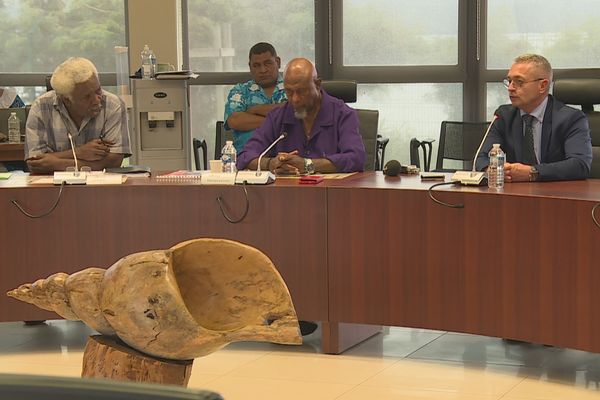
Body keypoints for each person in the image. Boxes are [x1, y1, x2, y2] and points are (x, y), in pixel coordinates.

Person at [236, 57, 365, 174]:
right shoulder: (278, 116)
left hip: (332, 194)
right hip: (286, 194)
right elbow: (245, 156)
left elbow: (356, 158)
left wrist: (309, 165)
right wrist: (271, 164)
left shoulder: (343, 115)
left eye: (301, 91)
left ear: (317, 85)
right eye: (289, 92)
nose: (295, 99)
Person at [475, 54, 592, 182]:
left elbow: (580, 165)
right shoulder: (504, 115)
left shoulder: (571, 118)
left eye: (519, 82)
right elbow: (481, 158)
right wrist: (493, 170)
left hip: (556, 194)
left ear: (542, 86)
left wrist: (533, 172)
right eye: (509, 81)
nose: (510, 88)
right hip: (515, 194)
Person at [25, 57, 131, 174]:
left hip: (100, 187)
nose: (96, 100)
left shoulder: (113, 105)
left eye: (98, 90)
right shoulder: (41, 107)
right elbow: (36, 164)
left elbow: (114, 162)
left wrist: (57, 163)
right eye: (87, 97)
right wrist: (79, 152)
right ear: (67, 100)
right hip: (53, 188)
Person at [224, 42, 287, 152]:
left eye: (267, 63)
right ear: (250, 67)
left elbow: (296, 114)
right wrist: (278, 119)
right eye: (257, 65)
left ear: (278, 62)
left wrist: (255, 110)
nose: (263, 70)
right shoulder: (241, 91)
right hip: (248, 160)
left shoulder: (292, 88)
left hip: (288, 158)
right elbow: (235, 120)